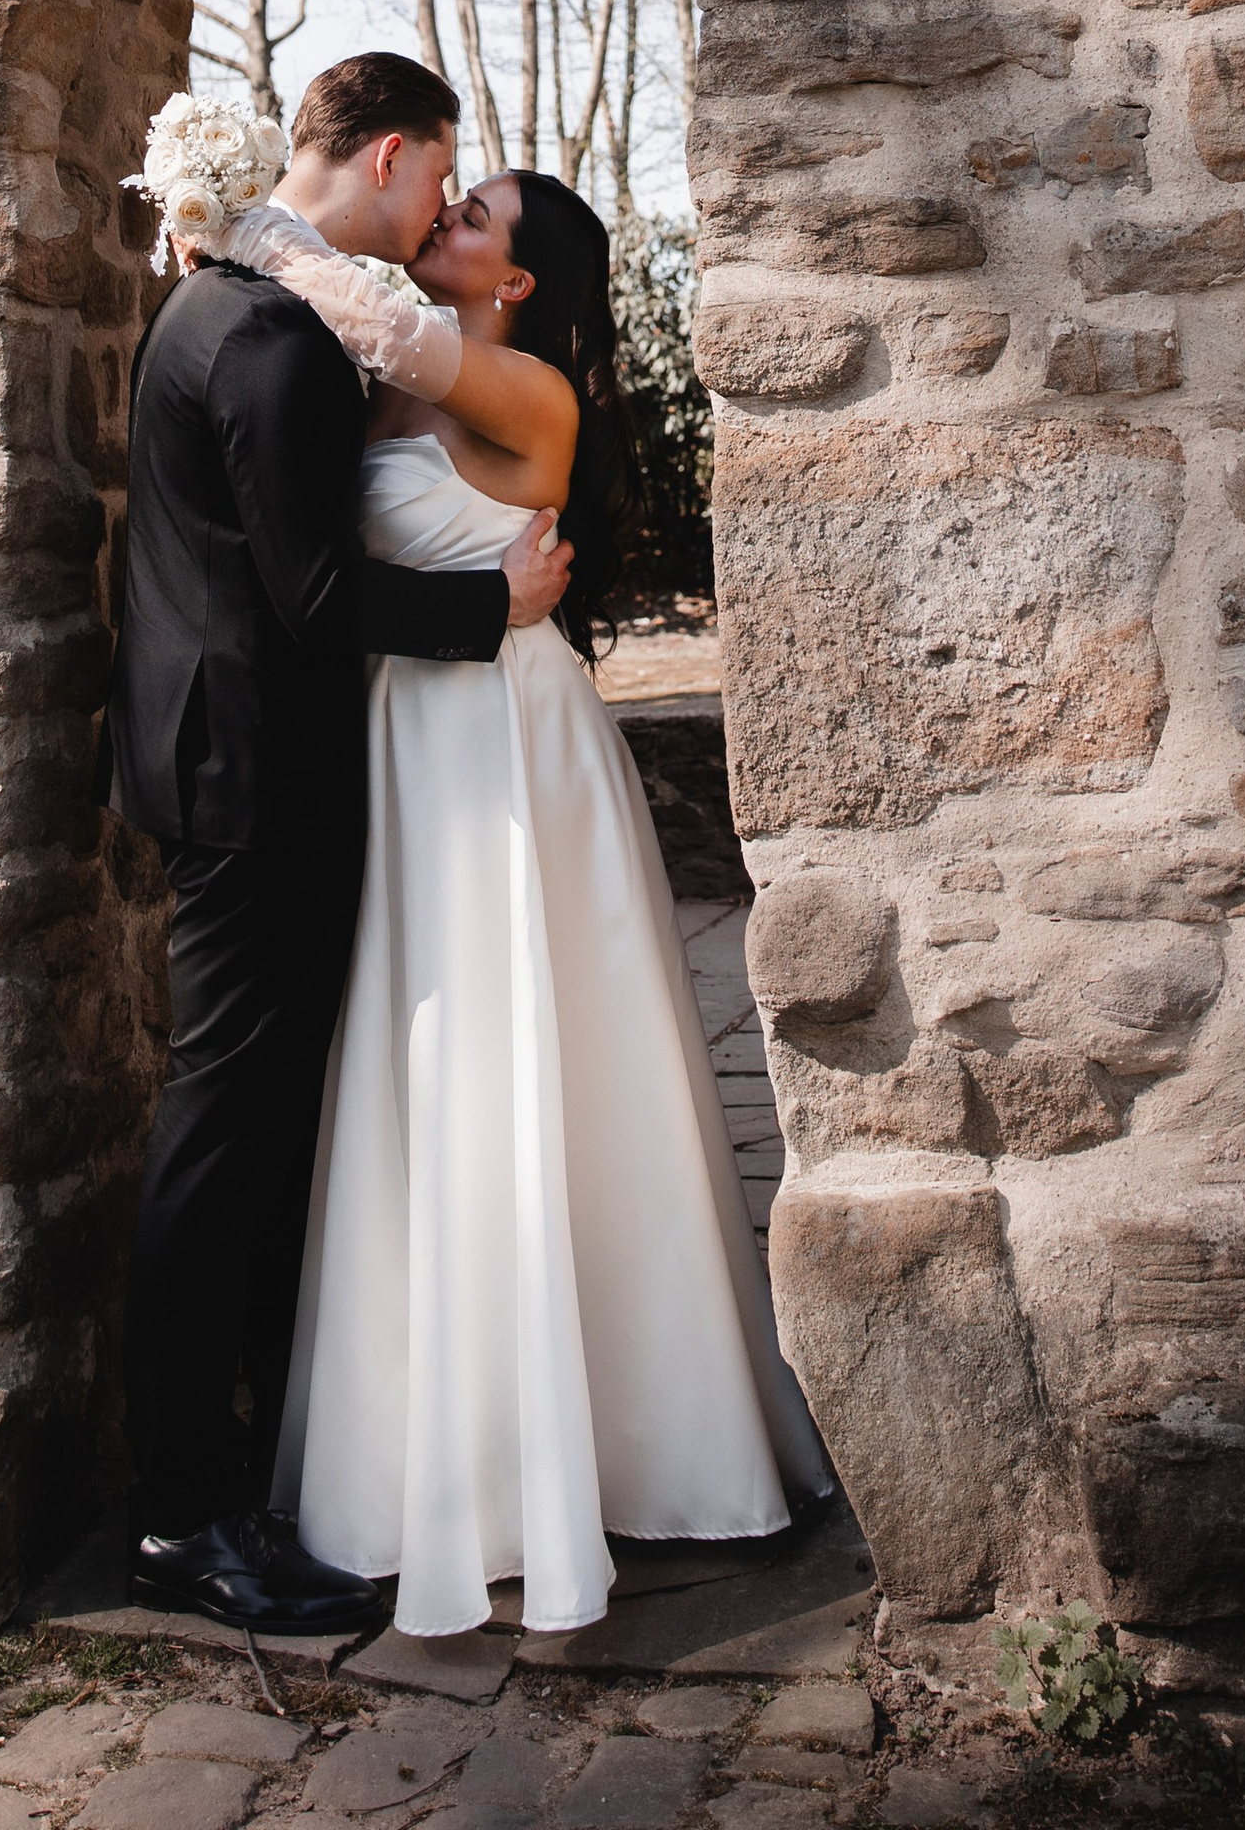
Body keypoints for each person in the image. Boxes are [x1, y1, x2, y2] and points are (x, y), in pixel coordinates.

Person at [233, 164, 827, 1639]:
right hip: (408, 737)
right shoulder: (391, 381)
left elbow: (359, 314)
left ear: (518, 284)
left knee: (534, 1067)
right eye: (449, 202)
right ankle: (445, 1453)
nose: (446, 224)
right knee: (424, 1073)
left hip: (505, 746)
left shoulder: (521, 392)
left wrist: (239, 218)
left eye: (475, 217)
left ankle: (621, 1446)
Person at [100, 53, 575, 1636]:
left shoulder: (214, 303)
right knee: (224, 1138)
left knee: (238, 1131)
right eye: (437, 180)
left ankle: (229, 1468)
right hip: (256, 782)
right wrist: (484, 608)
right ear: (385, 160)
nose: (443, 204)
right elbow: (310, 598)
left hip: (218, 763)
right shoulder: (276, 342)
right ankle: (184, 1513)